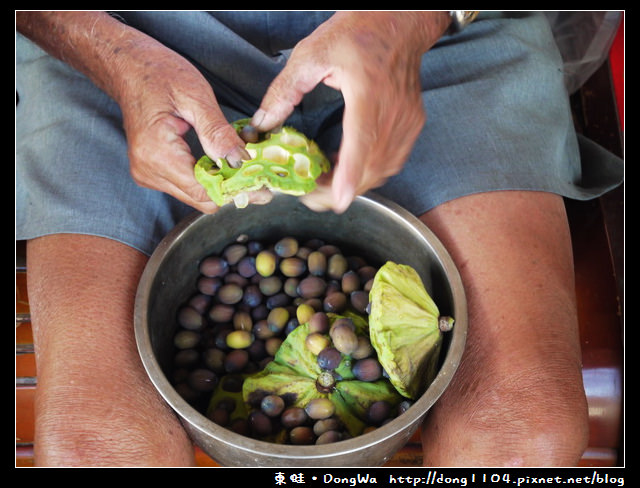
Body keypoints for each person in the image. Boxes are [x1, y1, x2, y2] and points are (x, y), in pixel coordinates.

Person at [16, 11, 622, 467]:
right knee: (91, 446)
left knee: (526, 431)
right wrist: (117, 59)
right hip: (122, 37)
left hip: (441, 34)